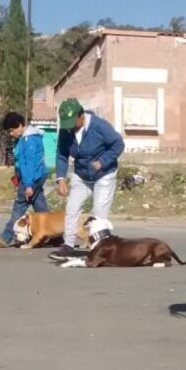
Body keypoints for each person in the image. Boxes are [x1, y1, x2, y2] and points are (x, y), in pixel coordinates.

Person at [48, 99, 125, 260]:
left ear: (81, 116)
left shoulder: (99, 126)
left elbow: (118, 144)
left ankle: (100, 248)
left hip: (104, 175)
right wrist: (60, 178)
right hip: (81, 175)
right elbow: (61, 154)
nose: (69, 128)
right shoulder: (65, 130)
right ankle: (68, 246)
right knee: (71, 208)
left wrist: (103, 161)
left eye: (72, 123)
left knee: (98, 214)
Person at [0, 112, 50, 247]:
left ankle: (6, 236)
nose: (11, 134)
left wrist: (28, 185)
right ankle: (55, 235)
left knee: (19, 206)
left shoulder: (28, 140)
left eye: (12, 130)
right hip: (34, 176)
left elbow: (29, 163)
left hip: (32, 177)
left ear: (19, 125)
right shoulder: (24, 138)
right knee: (40, 206)